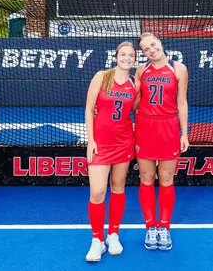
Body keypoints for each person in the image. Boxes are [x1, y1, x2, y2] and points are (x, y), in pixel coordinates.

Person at [134, 32, 189, 251]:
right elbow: (135, 101)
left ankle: (164, 227)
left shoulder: (179, 68)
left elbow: (182, 102)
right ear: (144, 53)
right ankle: (150, 227)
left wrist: (184, 133)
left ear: (160, 43)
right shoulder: (141, 70)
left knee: (166, 179)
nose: (151, 50)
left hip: (168, 127)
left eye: (153, 44)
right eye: (146, 49)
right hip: (145, 127)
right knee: (146, 178)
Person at [84, 41, 137, 262]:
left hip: (124, 142)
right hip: (101, 145)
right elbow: (89, 108)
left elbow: (136, 111)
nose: (126, 58)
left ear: (135, 59)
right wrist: (90, 141)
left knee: (118, 187)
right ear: (116, 57)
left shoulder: (135, 84)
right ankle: (97, 240)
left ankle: (113, 234)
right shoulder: (102, 76)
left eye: (131, 55)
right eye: (123, 54)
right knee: (97, 192)